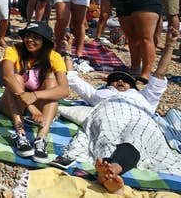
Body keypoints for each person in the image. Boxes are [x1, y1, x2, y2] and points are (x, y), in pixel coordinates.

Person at [60, 28, 180, 194]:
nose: (120, 81)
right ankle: (108, 173)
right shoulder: (99, 94)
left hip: (139, 116)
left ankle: (112, 169)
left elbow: (159, 74)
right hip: (109, 112)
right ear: (108, 85)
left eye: (126, 80)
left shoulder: (144, 97)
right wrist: (67, 49)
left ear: (133, 86)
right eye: (115, 80)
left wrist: (170, 45)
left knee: (140, 133)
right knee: (107, 134)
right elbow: (72, 78)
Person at [0, 22, 69, 163]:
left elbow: (64, 90)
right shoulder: (13, 50)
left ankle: (41, 138)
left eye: (36, 37)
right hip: (14, 105)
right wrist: (30, 105)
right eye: (28, 35)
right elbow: (7, 77)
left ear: (46, 42)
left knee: (52, 83)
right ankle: (20, 133)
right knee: (15, 78)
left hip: (39, 109)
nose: (30, 40)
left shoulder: (54, 57)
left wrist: (35, 96)